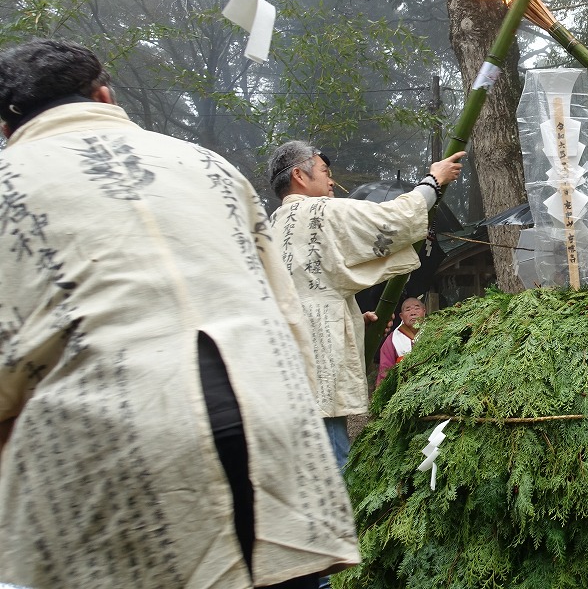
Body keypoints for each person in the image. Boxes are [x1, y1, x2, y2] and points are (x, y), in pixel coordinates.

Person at [0, 39, 357, 588]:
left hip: (114, 449)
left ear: (6, 128)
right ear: (104, 95)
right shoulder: (208, 165)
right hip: (268, 415)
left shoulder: (8, 184)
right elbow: (285, 313)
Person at [267, 140, 465, 469]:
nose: (331, 181)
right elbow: (395, 219)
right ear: (300, 175)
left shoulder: (270, 226)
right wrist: (434, 179)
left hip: (281, 359)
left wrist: (354, 318)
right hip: (317, 356)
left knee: (302, 457)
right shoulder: (321, 211)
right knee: (331, 459)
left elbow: (315, 285)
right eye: (325, 172)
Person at [375, 296, 428, 386]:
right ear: (401, 316)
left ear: (424, 311)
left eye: (417, 308)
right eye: (408, 310)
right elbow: (385, 373)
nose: (413, 313)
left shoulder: (435, 331)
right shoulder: (392, 340)